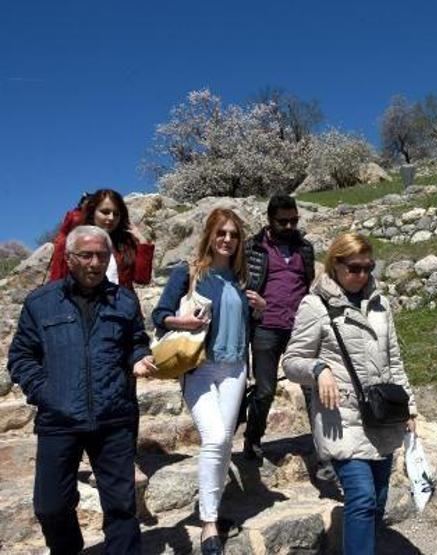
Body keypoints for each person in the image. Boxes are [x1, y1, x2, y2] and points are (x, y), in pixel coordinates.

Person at [8, 225, 157, 554]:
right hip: (59, 419)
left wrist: (138, 357)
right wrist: (46, 392)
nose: (95, 263)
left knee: (121, 508)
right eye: (86, 255)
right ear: (69, 258)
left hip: (114, 416)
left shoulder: (124, 300)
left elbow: (136, 342)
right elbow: (21, 356)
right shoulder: (41, 302)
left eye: (102, 256)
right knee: (50, 506)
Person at [282, 232, 417, 555]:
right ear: (335, 264)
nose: (362, 275)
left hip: (382, 416)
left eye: (368, 267)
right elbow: (291, 361)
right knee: (362, 497)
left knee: (378, 501)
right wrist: (318, 369)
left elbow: (394, 360)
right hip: (341, 419)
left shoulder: (380, 303)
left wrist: (410, 406)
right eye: (354, 268)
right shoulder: (315, 305)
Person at [151, 208, 266, 555]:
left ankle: (211, 510)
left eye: (234, 234)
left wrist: (259, 309)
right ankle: (209, 523)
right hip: (199, 367)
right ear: (210, 236)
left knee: (225, 441)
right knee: (214, 437)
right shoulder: (189, 273)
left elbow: (246, 325)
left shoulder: (242, 279)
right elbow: (159, 315)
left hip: (235, 369)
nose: (227, 239)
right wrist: (182, 322)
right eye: (221, 233)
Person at [242, 194, 315, 462]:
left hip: (300, 328)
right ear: (269, 219)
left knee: (311, 387)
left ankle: (323, 443)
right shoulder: (252, 248)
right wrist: (256, 305)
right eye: (283, 221)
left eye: (294, 220)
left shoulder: (304, 248)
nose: (289, 226)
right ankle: (253, 438)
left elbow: (307, 282)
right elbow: (241, 284)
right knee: (264, 390)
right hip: (266, 327)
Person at [50, 189, 155, 291]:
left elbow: (142, 279)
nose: (111, 218)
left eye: (116, 214)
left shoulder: (124, 244)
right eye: (105, 212)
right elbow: (57, 284)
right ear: (93, 212)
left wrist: (143, 243)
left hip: (121, 301)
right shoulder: (73, 242)